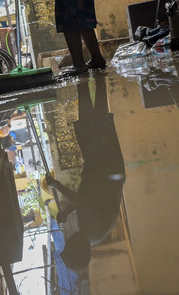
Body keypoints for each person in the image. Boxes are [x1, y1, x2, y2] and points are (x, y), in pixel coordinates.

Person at [45, 74, 125, 271]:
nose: (70, 240)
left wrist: (66, 211)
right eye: (70, 246)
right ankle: (87, 77)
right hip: (105, 167)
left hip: (106, 169)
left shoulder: (93, 236)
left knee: (96, 123)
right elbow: (84, 202)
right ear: (78, 249)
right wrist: (56, 185)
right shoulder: (91, 233)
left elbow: (87, 204)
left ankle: (96, 78)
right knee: (92, 125)